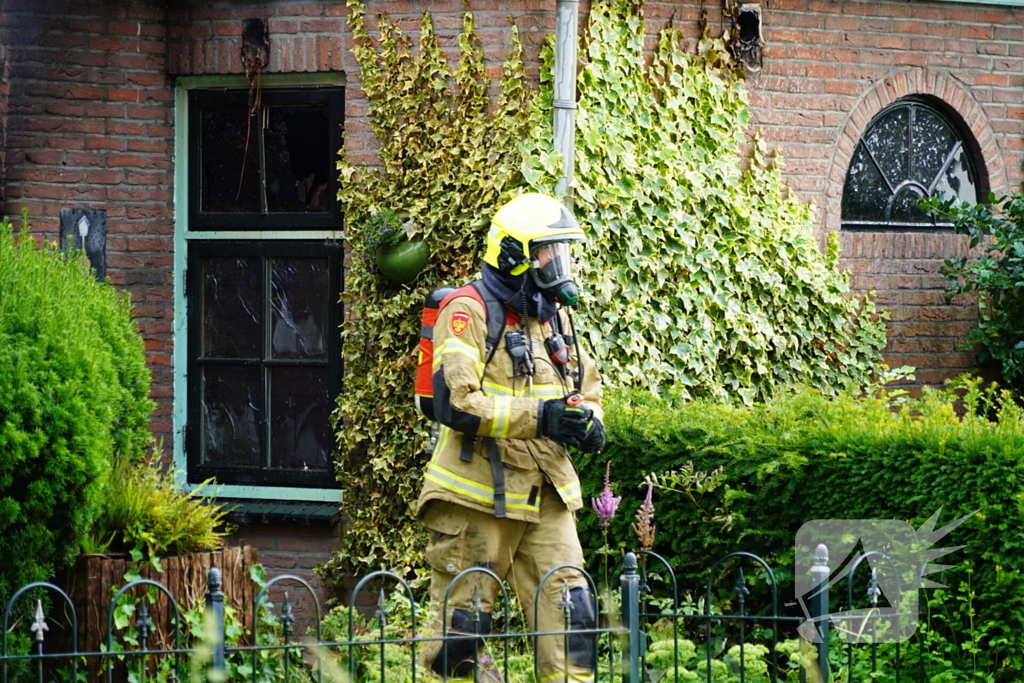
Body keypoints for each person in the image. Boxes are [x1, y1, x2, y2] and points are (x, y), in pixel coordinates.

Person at [416, 193, 605, 682]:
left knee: (574, 614)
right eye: (549, 251)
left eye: (562, 251)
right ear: (514, 254)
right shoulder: (468, 311)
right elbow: (457, 402)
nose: (558, 263)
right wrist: (542, 418)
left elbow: (586, 388)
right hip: (478, 494)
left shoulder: (553, 316)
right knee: (462, 627)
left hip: (546, 490)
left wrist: (590, 423)